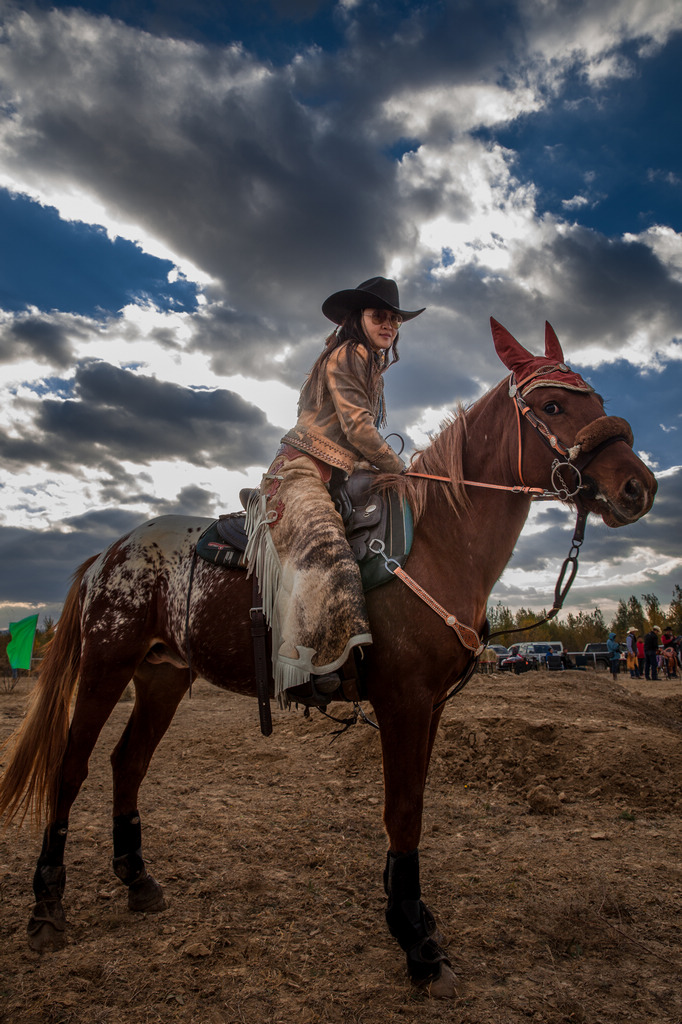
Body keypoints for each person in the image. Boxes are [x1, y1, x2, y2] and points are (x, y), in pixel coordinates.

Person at [245, 276, 425, 706]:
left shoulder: (369, 363)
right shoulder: (352, 352)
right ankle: (311, 664)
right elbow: (359, 430)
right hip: (301, 471)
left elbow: (355, 442)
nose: (389, 324)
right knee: (329, 550)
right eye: (379, 315)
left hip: (336, 474)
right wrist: (403, 471)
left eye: (394, 319)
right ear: (356, 318)